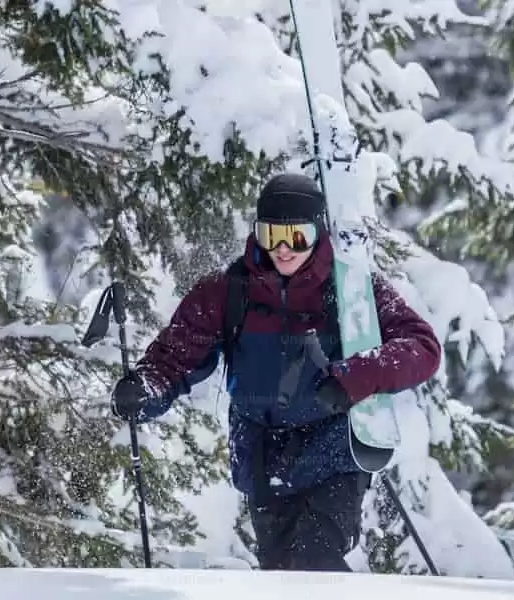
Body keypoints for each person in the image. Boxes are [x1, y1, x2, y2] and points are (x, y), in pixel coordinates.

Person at [108, 172, 441, 571]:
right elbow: (175, 356)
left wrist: (353, 377)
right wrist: (145, 388)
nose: (283, 249)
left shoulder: (352, 289)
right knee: (280, 574)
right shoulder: (227, 291)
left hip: (333, 452)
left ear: (317, 232)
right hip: (263, 459)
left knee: (315, 561)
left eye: (296, 237)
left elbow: (422, 346)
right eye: (271, 235)